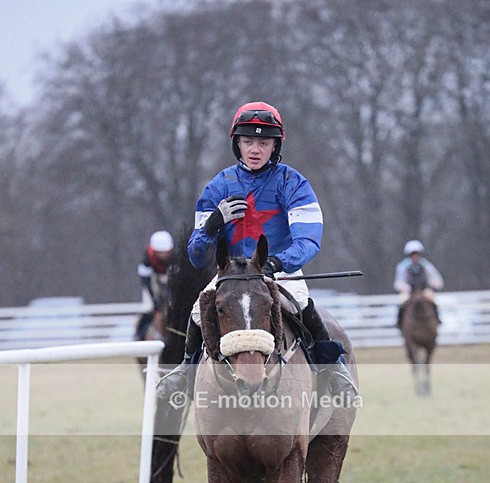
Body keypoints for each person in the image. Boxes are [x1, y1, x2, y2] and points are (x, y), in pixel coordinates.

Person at [158, 101, 357, 401]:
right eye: (248, 141)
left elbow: (308, 240)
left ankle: (334, 369)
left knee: (303, 303)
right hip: (231, 275)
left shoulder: (293, 183)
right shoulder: (218, 186)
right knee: (200, 309)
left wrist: (276, 263)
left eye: (263, 142)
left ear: (275, 146)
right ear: (237, 144)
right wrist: (213, 224)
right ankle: (185, 372)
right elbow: (196, 255)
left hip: (279, 270)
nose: (255, 149)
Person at [134, 230, 176, 340]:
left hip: (167, 277)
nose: (166, 254)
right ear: (156, 251)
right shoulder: (146, 260)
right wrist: (155, 304)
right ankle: (139, 335)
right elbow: (147, 284)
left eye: (168, 251)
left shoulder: (174, 259)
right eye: (163, 252)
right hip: (152, 280)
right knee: (148, 307)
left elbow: (173, 281)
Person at [394, 239, 443, 328]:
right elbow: (398, 282)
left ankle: (437, 319)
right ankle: (399, 322)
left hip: (423, 289)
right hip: (409, 291)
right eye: (413, 254)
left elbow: (436, 278)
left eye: (417, 254)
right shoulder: (403, 266)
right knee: (402, 301)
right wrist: (405, 287)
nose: (415, 257)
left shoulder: (426, 265)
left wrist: (433, 283)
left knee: (432, 300)